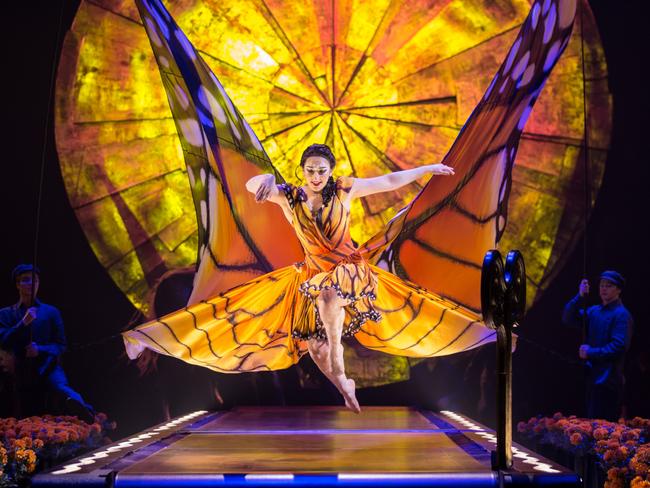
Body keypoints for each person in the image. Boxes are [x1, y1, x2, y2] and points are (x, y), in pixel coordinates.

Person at [124, 144, 494, 412]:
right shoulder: (290, 198)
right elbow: (252, 187)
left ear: (330, 171)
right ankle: (146, 339)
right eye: (310, 170)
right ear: (302, 171)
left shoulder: (346, 190)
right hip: (310, 275)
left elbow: (389, 180)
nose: (316, 176)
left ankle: (484, 335)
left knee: (337, 299)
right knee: (289, 335)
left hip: (349, 269)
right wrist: (267, 180)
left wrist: (426, 168)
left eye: (321, 170)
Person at [0, 264, 95, 423]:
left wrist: (40, 349)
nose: (31, 284)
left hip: (47, 365)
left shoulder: (51, 312)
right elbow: (3, 340)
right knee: (23, 411)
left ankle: (87, 413)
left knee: (61, 387)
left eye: (35, 280)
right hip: (20, 370)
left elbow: (61, 345)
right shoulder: (5, 313)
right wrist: (23, 323)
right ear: (17, 284)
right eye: (25, 280)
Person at [562, 270, 634, 421]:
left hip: (608, 382)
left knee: (603, 430)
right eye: (601, 285)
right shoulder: (595, 311)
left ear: (618, 289)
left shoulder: (622, 314)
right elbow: (568, 318)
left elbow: (619, 346)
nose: (603, 289)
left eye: (609, 286)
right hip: (591, 378)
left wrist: (591, 352)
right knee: (589, 426)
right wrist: (579, 296)